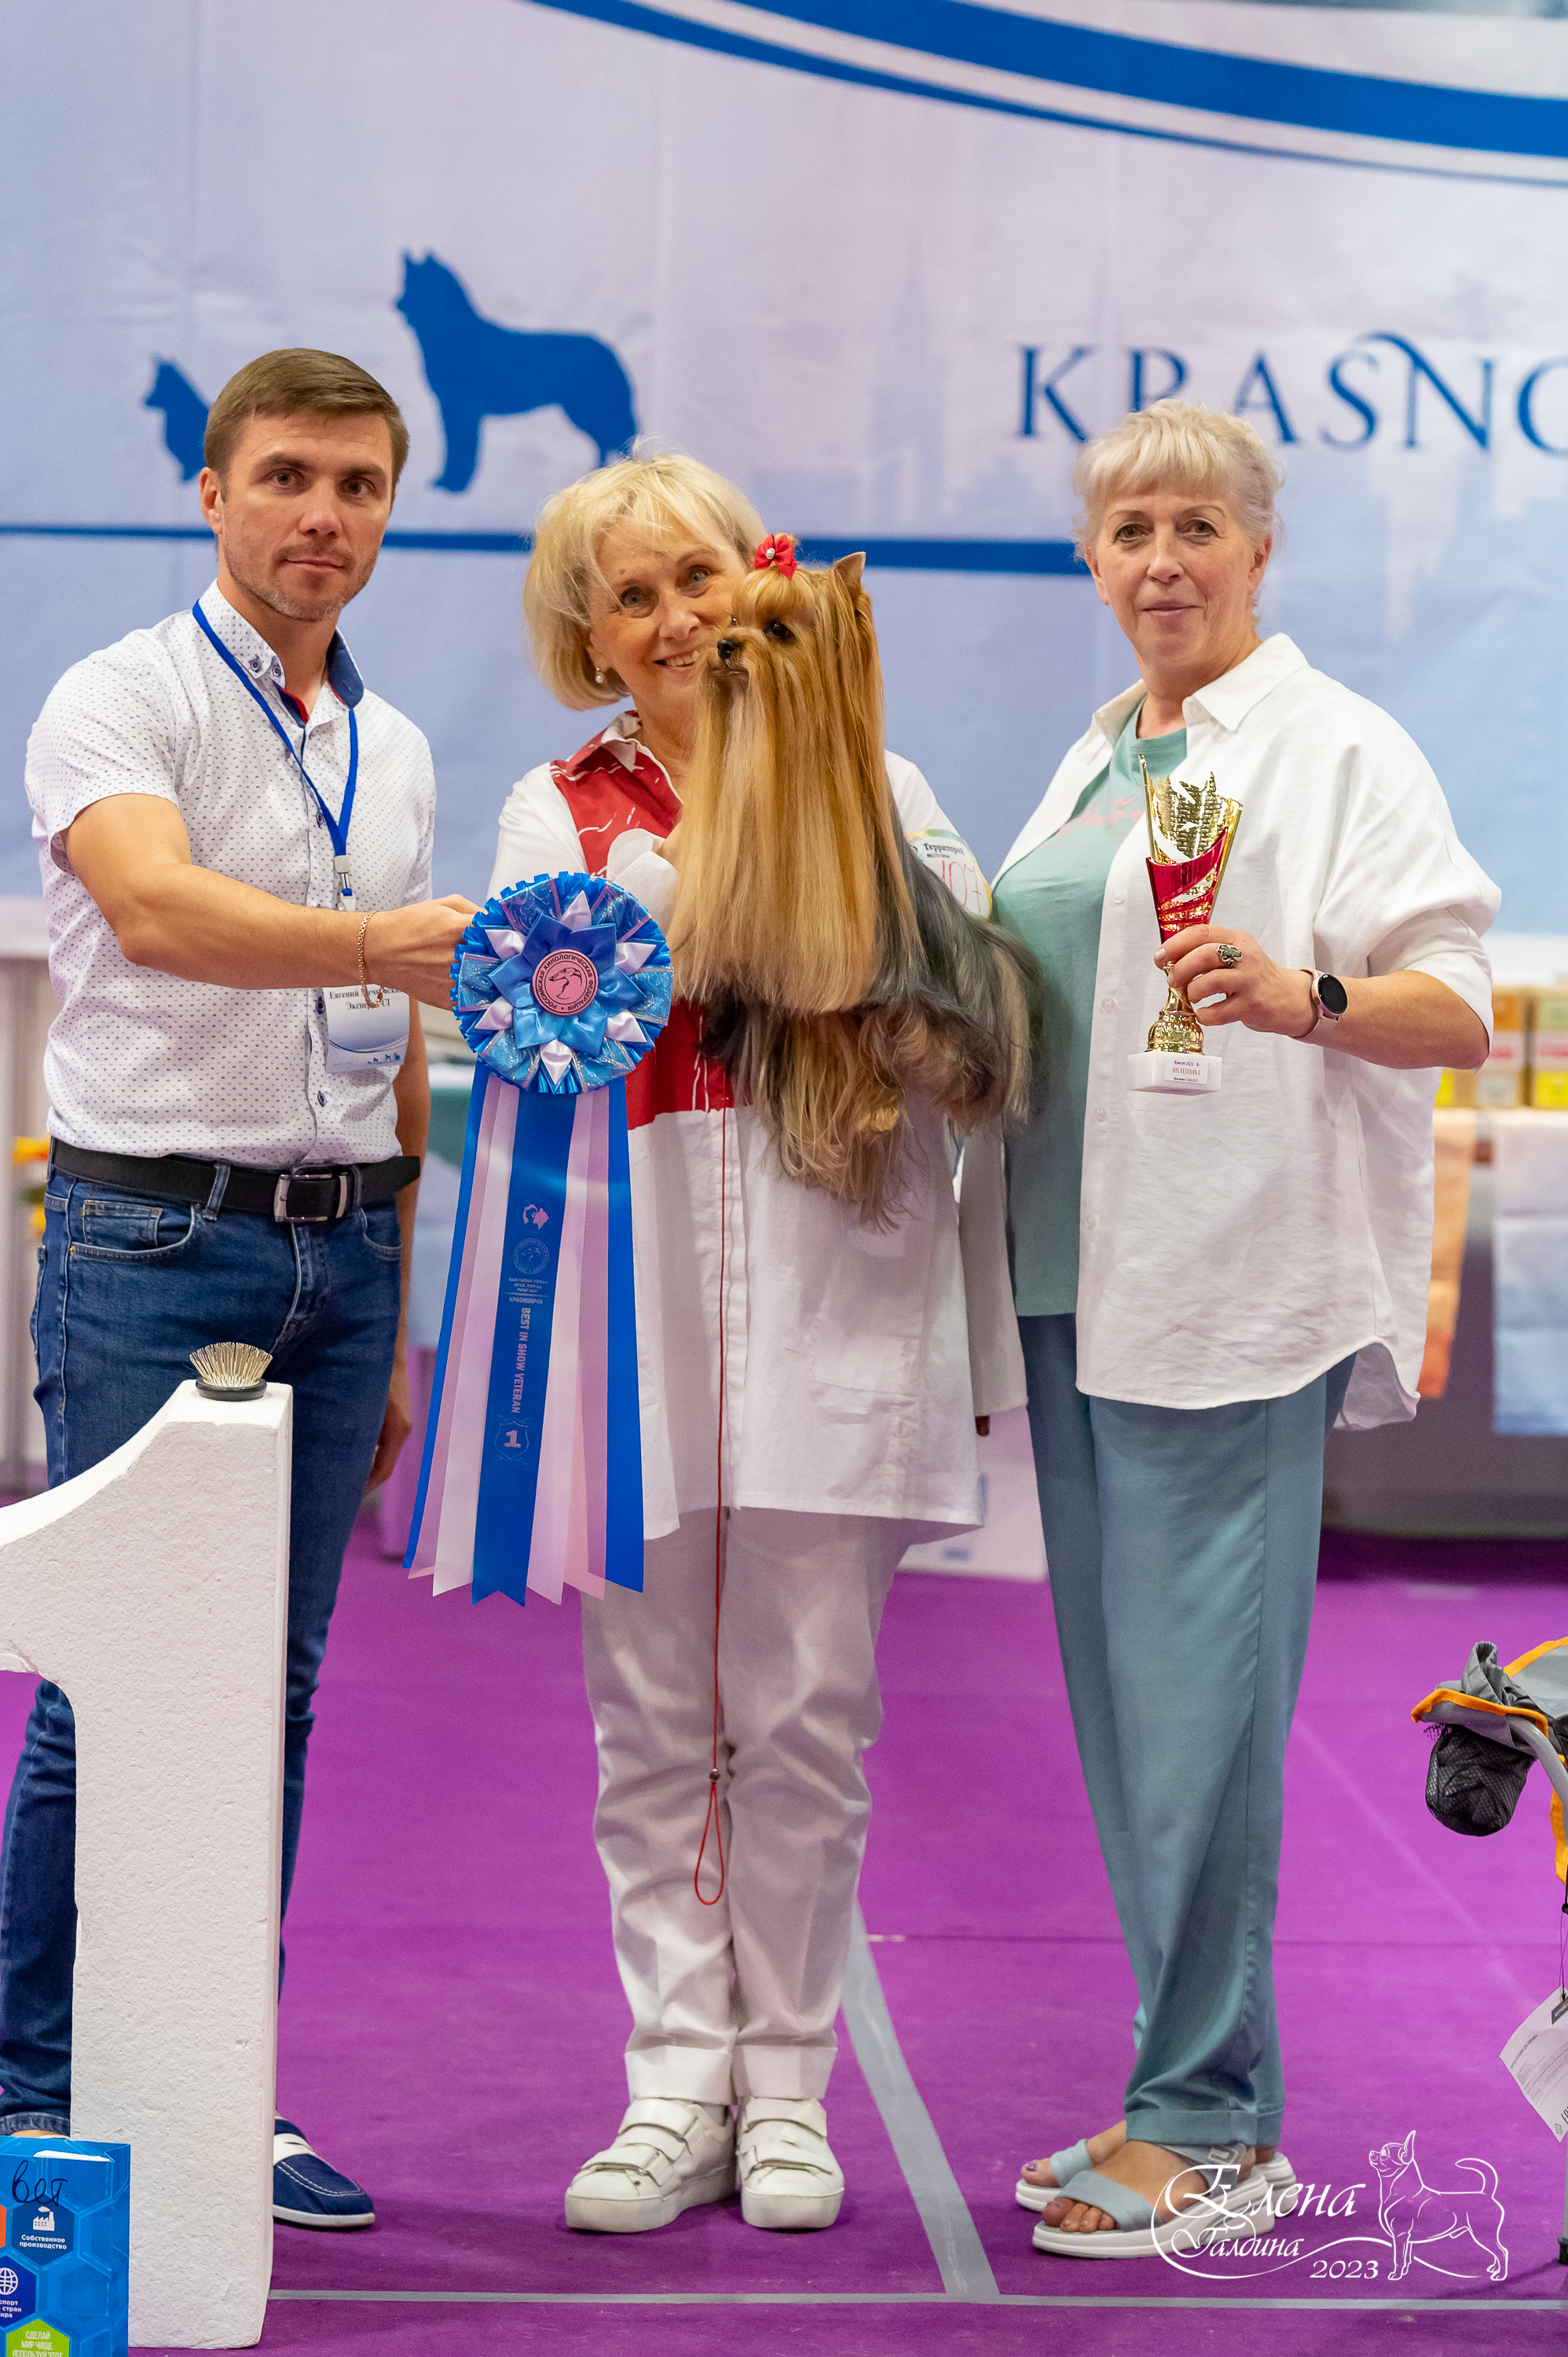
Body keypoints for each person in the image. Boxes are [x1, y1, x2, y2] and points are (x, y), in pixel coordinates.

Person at [490, 455, 1024, 2234]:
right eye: (630, 597)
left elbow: (977, 1045)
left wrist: (842, 934)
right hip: (632, 1286)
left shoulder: (881, 787)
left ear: (759, 586)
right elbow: (532, 1035)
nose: (674, 622)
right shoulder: (552, 813)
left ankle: (785, 2086)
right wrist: (695, 908)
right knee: (651, 1720)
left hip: (832, 1282)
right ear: (588, 635)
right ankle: (671, 2086)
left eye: (698, 579)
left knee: (805, 1713)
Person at [985, 401, 1497, 2257]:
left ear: (1258, 553)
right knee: (1130, 1729)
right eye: (1127, 531)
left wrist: (1301, 997)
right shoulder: (1093, 756)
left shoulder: (1334, 746)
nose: (1161, 561)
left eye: (1195, 527)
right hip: (1069, 1283)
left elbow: (1454, 1003)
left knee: (1200, 1727)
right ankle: (1173, 2086)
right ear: (1089, 561)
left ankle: (1214, 2126)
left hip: (1223, 1290)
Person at [13, 349, 477, 2227]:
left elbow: (399, 1043)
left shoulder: (397, 744)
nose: (322, 517)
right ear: (210, 493)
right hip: (153, 1239)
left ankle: (208, 2088)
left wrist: (397, 1304)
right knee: (114, 1684)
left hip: (342, 1248)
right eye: (285, 476)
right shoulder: (117, 695)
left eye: (358, 485)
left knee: (265, 1695)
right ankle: (35, 2086)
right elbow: (155, 912)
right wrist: (373, 942)